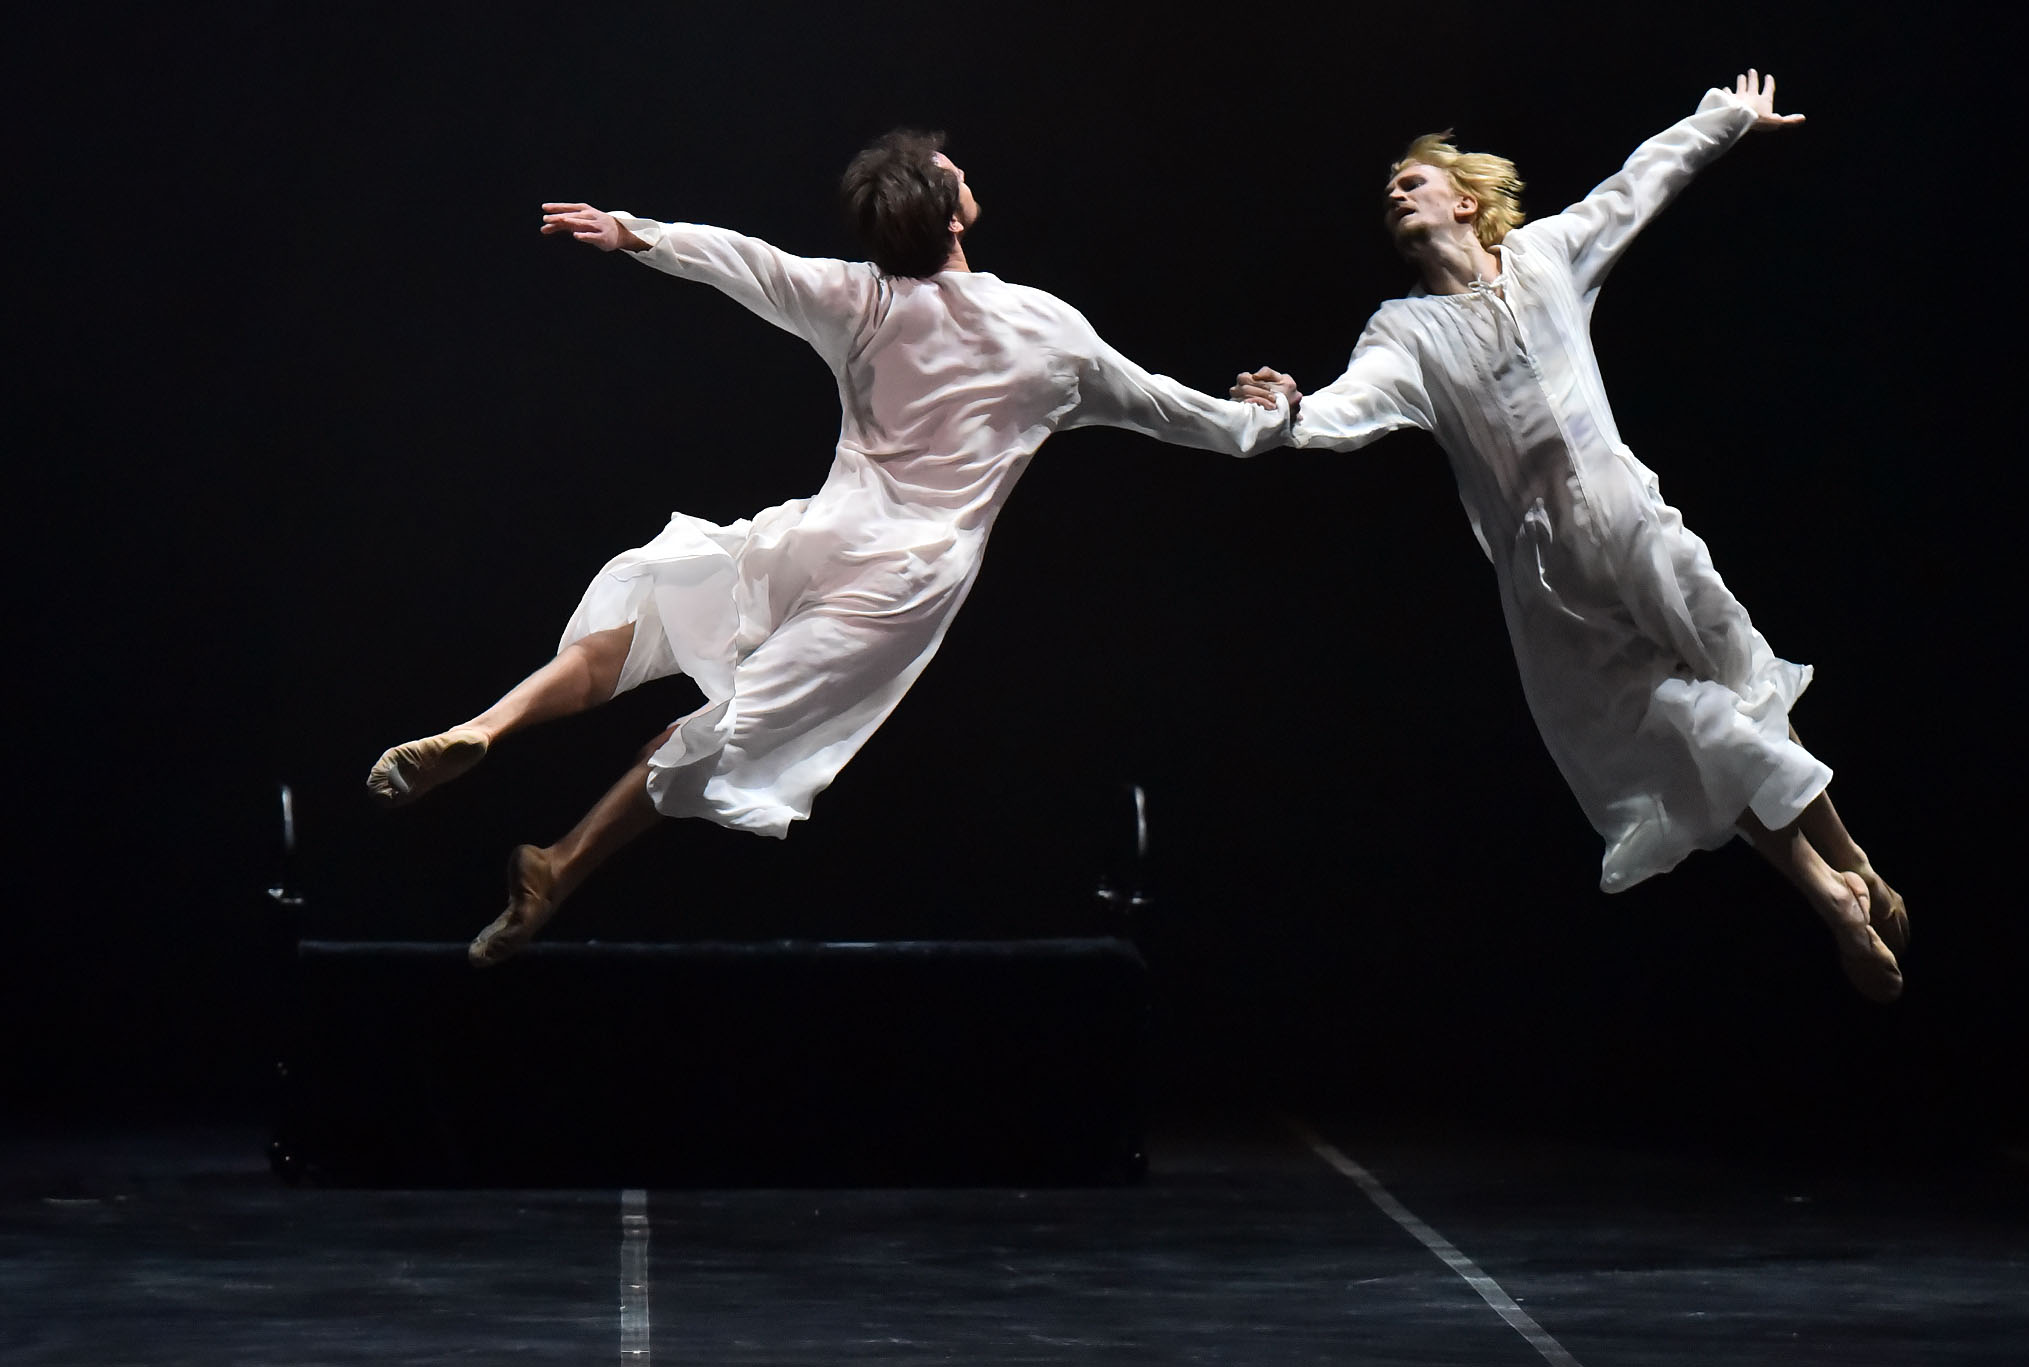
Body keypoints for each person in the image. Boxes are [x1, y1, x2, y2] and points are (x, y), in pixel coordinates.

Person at [368, 131, 1288, 966]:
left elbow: (749, 262)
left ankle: (487, 725)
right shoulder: (1050, 332)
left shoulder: (865, 298)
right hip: (904, 576)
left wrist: (634, 232)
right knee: (720, 732)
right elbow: (1187, 415)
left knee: (659, 613)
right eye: (955, 170)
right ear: (948, 214)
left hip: (823, 531)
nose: (967, 170)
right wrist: (1270, 412)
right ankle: (560, 865)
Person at [1232, 73, 1909, 1001]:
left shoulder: (1545, 255)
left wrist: (1726, 118)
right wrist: (1292, 408)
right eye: (1389, 189)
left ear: (1465, 201)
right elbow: (1351, 405)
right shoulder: (1404, 331)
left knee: (1739, 683)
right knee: (1688, 728)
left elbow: (1638, 184)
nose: (1394, 191)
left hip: (1631, 521)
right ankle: (1830, 891)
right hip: (1552, 578)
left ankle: (1845, 862)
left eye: (1412, 180)